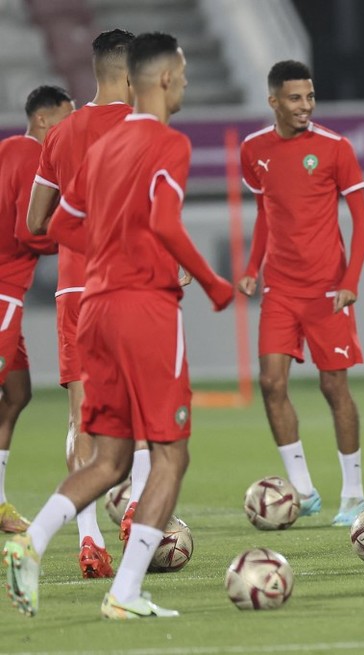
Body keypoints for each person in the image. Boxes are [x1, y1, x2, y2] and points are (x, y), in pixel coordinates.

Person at [2, 32, 233, 619]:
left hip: (92, 305)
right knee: (171, 454)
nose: (184, 83)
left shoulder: (92, 146)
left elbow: (57, 226)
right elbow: (165, 221)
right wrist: (208, 279)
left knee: (109, 457)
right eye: (180, 74)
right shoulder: (166, 143)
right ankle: (125, 593)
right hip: (143, 308)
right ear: (157, 79)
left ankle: (30, 543)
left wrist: (106, 249)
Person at [237, 60, 364, 527]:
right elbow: (263, 213)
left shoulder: (335, 148)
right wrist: (252, 267)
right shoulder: (253, 149)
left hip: (328, 290)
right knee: (271, 383)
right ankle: (304, 489)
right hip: (279, 288)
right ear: (273, 101)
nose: (305, 106)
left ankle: (353, 494)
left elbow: (362, 219)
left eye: (310, 97)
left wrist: (351, 280)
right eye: (295, 98)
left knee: (334, 386)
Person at [26, 28, 140, 580]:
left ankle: (88, 539)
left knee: (82, 417)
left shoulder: (62, 134)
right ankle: (138, 504)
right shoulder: (143, 129)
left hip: (74, 289)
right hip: (130, 285)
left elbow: (33, 221)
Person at [0, 86, 73, 533]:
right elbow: (30, 232)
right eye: (67, 118)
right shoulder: (34, 159)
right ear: (45, 120)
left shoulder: (7, 148)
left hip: (9, 294)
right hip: (2, 292)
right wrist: (78, 234)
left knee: (17, 393)